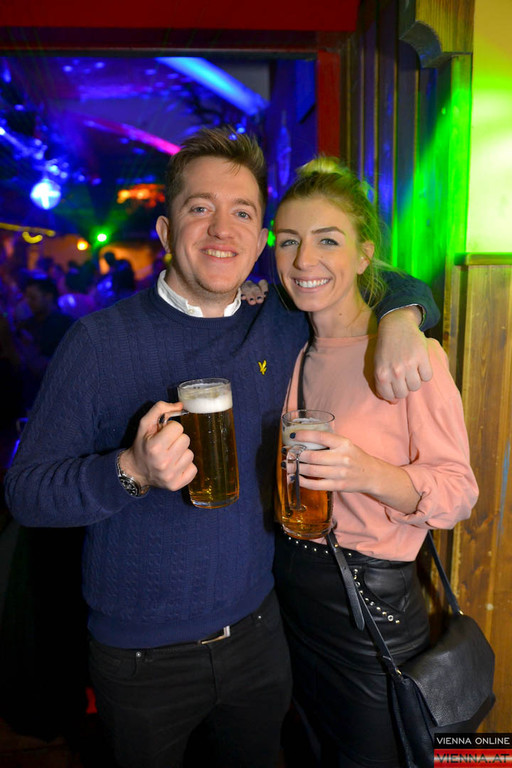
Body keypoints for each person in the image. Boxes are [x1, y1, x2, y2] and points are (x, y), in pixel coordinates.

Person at [5, 127, 439, 768]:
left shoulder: (279, 318)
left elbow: (368, 275)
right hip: (140, 659)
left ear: (260, 239)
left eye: (241, 213)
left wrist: (406, 316)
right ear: (165, 230)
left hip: (260, 637)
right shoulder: (99, 343)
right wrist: (129, 470)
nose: (220, 229)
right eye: (199, 207)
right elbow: (25, 493)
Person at [271, 158, 478, 768]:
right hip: (288, 600)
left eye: (327, 240)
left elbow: (458, 493)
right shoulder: (289, 345)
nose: (304, 259)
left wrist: (366, 472)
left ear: (365, 255)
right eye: (289, 241)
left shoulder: (412, 355)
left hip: (369, 610)